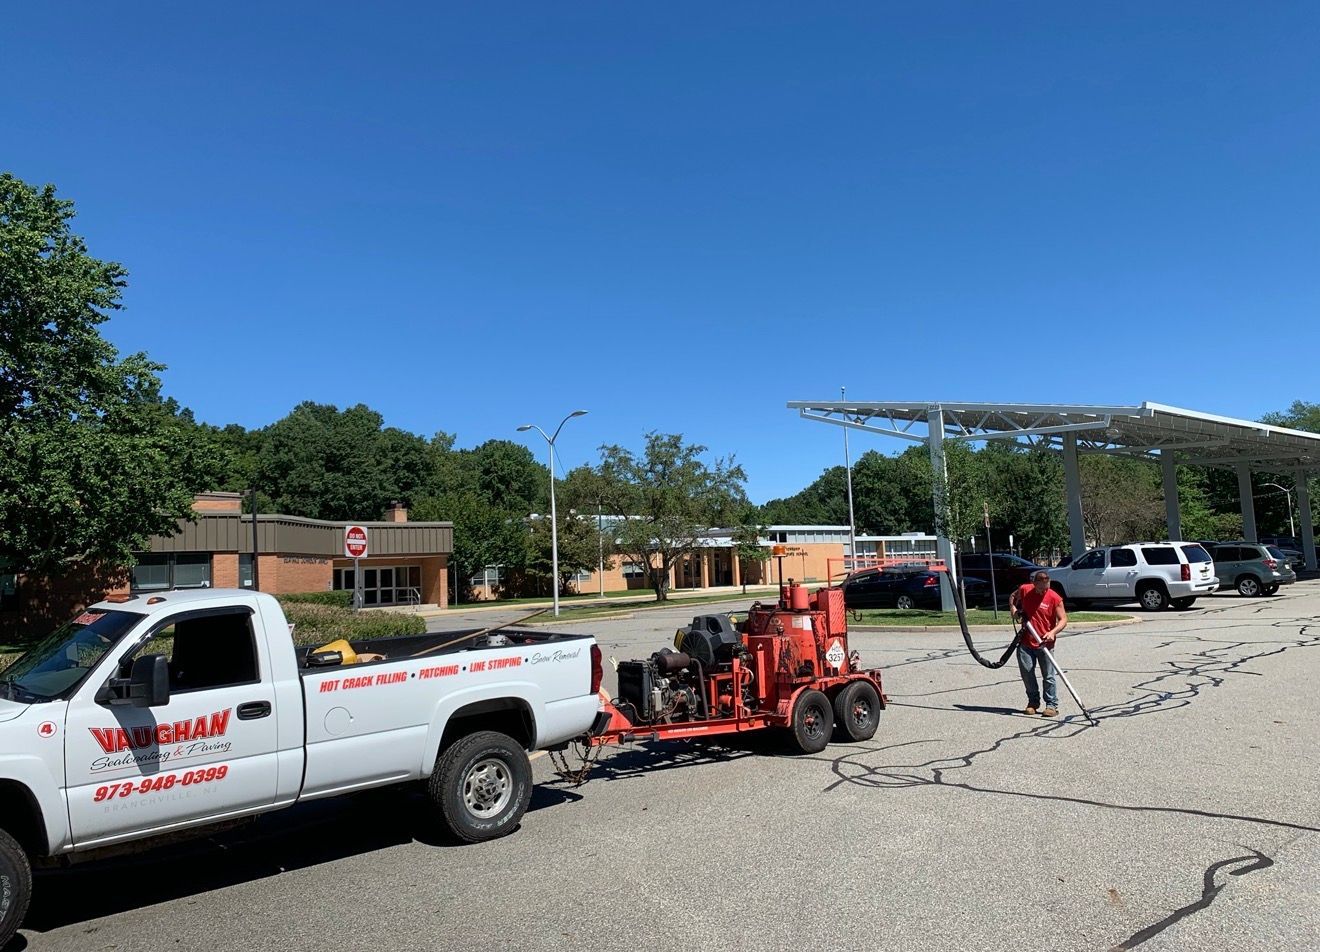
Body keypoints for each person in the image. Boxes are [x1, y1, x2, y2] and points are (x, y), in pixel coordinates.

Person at [1008, 570, 1068, 716]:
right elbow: (1013, 596)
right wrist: (1014, 609)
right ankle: (1033, 702)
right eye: (1040, 588)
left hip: (1045, 643)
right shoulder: (1025, 589)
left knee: (1048, 675)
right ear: (1034, 584)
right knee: (1027, 674)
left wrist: (1053, 632)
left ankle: (1051, 705)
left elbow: (1063, 620)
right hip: (1026, 641)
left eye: (1046, 587)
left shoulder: (1054, 598)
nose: (1043, 591)